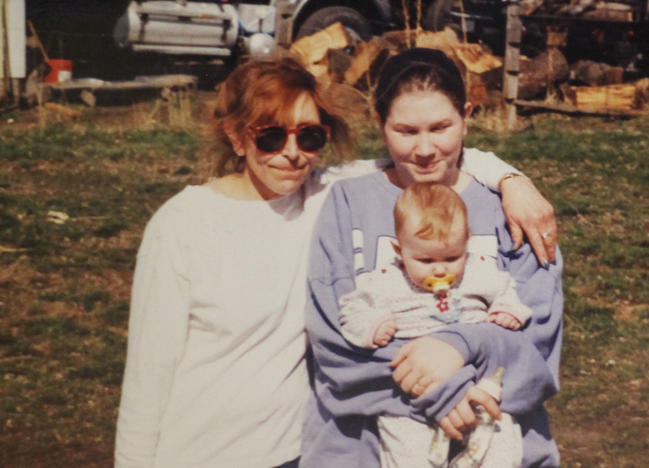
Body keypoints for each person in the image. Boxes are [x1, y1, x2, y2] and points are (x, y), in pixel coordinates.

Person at [114, 54, 558, 468]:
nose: (291, 152)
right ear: (235, 136)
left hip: (293, 447)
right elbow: (147, 376)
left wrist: (509, 178)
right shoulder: (197, 222)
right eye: (269, 136)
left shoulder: (329, 192)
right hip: (204, 450)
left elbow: (432, 154)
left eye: (309, 136)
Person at [303, 47, 563, 468]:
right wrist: (445, 391)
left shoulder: (513, 210)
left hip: (497, 446)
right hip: (361, 452)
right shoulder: (349, 203)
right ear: (379, 122)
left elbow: (536, 349)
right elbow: (334, 340)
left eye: (441, 127)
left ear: (467, 114)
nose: (425, 149)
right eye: (405, 131)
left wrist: (461, 345)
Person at [338, 182, 530, 467]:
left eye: (452, 257)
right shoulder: (385, 282)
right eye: (425, 259)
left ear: (467, 243)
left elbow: (507, 291)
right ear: (399, 250)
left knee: (504, 444)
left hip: (477, 381)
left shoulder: (479, 272)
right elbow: (350, 309)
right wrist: (372, 326)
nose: (440, 269)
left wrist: (507, 311)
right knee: (408, 449)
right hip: (413, 393)